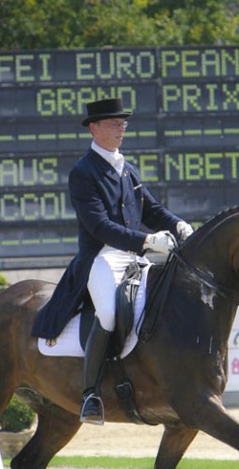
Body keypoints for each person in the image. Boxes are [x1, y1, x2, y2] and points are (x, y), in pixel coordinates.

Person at [31, 98, 193, 424]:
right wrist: (147, 241)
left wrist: (177, 224)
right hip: (101, 257)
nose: (122, 128)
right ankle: (90, 393)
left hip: (134, 256)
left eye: (124, 123)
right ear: (95, 128)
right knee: (108, 311)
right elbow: (99, 226)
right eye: (114, 123)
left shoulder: (127, 168)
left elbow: (150, 210)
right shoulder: (83, 172)